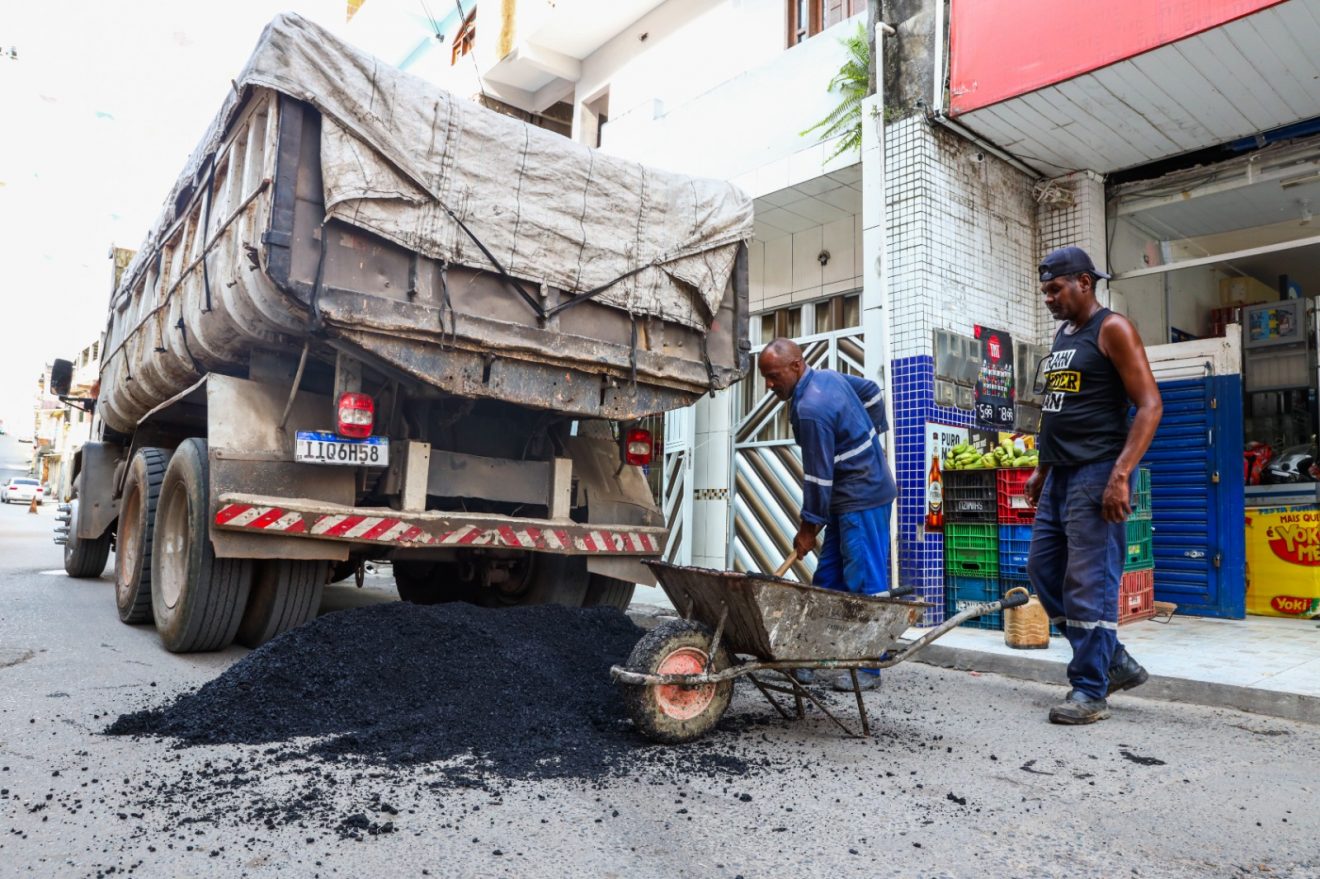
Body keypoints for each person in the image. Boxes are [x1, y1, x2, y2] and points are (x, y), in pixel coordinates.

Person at [1026, 246, 1163, 725]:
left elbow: (1150, 405)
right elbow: (1056, 408)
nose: (1049, 298)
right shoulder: (1065, 334)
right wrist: (1043, 468)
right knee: (1043, 570)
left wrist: (1120, 475)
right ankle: (1112, 660)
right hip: (1060, 473)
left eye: (1055, 289)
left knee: (1089, 583)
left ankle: (1090, 690)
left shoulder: (1114, 329)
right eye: (1045, 291)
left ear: (1084, 282)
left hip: (1097, 472)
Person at [757, 338, 898, 692]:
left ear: (796, 366)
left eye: (773, 376)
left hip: (862, 496)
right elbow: (871, 393)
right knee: (828, 580)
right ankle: (809, 659)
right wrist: (870, 438)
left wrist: (807, 531)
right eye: (765, 377)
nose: (769, 385)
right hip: (846, 498)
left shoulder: (812, 409)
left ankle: (870, 667)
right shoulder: (829, 378)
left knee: (864, 583)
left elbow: (818, 480)